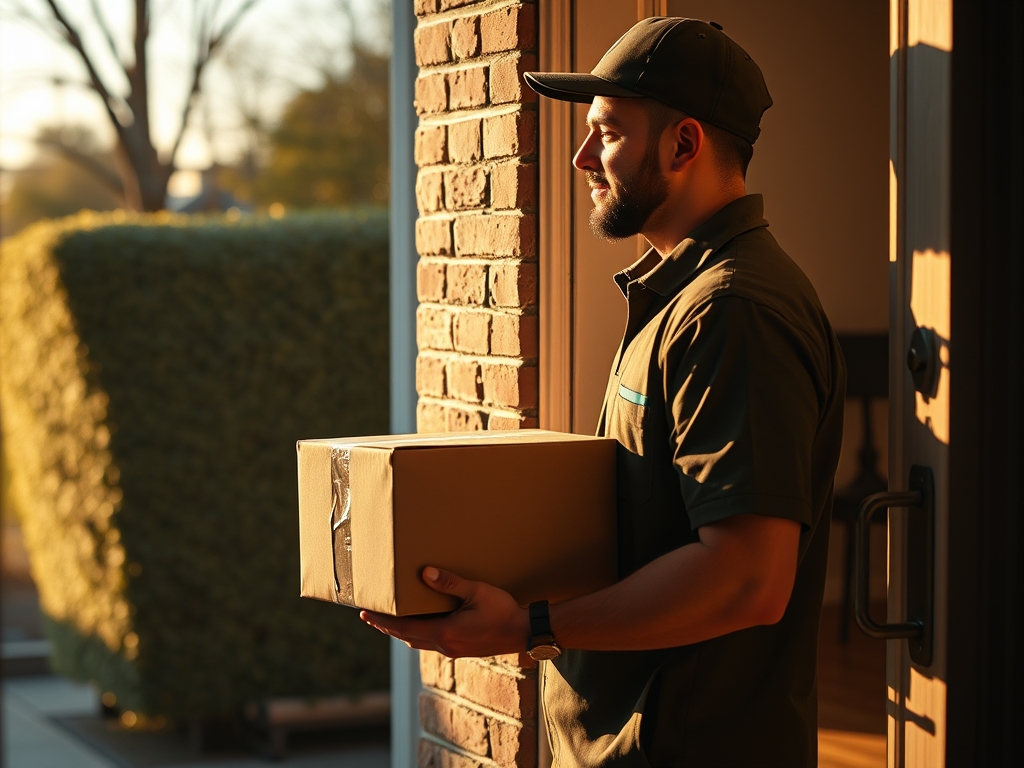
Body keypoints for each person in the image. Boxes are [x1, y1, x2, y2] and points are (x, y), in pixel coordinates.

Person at [361, 17, 845, 767]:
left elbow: (747, 578)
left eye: (609, 133)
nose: (584, 156)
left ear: (684, 144)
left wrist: (530, 626)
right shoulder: (684, 296)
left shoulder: (734, 311)